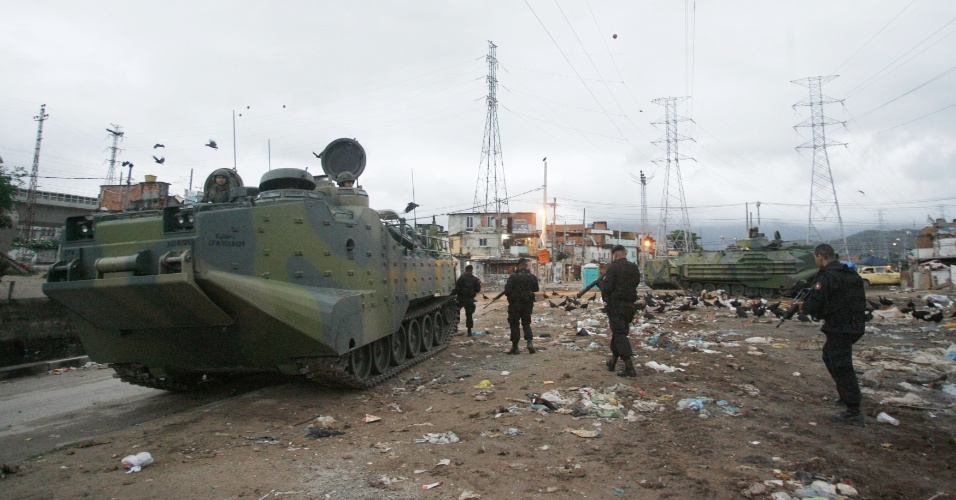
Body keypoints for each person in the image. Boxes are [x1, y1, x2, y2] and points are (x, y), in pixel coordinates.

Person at [799, 243, 867, 427]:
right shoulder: (849, 273)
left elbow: (815, 302)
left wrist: (804, 307)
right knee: (830, 356)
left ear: (820, 256)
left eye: (815, 257)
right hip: (855, 324)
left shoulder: (828, 277)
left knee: (841, 365)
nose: (815, 261)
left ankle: (854, 410)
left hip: (840, 327)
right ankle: (846, 395)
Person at [601, 245, 642, 377]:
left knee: (619, 334)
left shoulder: (613, 268)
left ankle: (629, 366)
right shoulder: (633, 267)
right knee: (619, 333)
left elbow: (607, 288)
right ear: (625, 253)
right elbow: (636, 283)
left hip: (616, 306)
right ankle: (612, 362)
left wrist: (600, 284)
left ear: (615, 254)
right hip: (630, 306)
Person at [504, 257, 539, 354]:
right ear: (526, 265)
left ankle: (515, 347)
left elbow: (507, 291)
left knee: (514, 324)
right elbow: (536, 289)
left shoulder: (513, 277)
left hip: (515, 304)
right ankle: (529, 342)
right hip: (528, 304)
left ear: (518, 265)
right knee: (526, 323)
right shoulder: (531, 277)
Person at [454, 265, 482, 336]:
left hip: (461, 299)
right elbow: (478, 290)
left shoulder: (461, 278)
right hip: (469, 299)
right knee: (469, 315)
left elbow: (457, 288)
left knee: (457, 312)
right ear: (471, 270)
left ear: (466, 270)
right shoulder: (475, 279)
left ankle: (455, 328)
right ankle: (469, 331)